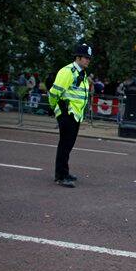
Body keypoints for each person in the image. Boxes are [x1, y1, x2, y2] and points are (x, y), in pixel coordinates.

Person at [48, 44, 91, 188]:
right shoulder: (67, 71)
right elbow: (54, 92)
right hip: (67, 113)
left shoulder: (81, 73)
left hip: (75, 114)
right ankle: (60, 176)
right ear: (77, 57)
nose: (88, 61)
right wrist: (55, 108)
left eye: (89, 58)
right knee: (65, 145)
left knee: (68, 145)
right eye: (86, 58)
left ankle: (64, 173)